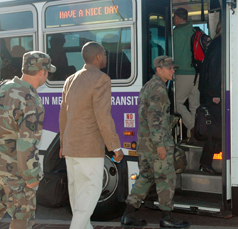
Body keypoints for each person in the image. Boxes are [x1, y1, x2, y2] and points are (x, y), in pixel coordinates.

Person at [0, 51, 56, 229]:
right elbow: (26, 144)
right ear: (42, 72)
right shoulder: (31, 99)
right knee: (22, 218)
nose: (46, 77)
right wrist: (31, 176)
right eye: (47, 72)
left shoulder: (2, 87)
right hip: (14, 170)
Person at [59, 41, 124, 229]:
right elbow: (103, 116)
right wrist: (115, 146)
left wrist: (63, 144)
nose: (105, 57)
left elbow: (63, 115)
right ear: (98, 57)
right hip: (89, 148)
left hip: (71, 147)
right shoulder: (101, 79)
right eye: (104, 54)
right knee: (91, 192)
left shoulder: (70, 79)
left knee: (78, 196)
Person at [121, 55, 190, 229]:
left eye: (173, 68)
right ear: (159, 70)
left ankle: (128, 215)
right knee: (166, 177)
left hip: (145, 142)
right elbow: (155, 118)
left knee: (145, 176)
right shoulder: (159, 89)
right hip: (155, 142)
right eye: (169, 68)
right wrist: (160, 144)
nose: (173, 71)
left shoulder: (148, 85)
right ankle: (167, 217)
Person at [198, 21, 222, 175]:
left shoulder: (216, 43)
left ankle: (206, 163)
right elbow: (214, 70)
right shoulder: (220, 44)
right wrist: (215, 94)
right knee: (215, 130)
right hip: (214, 95)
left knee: (216, 129)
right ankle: (205, 163)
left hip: (211, 93)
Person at [173, 7, 200, 143]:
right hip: (197, 73)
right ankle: (195, 135)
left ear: (177, 18)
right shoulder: (194, 31)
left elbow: (174, 56)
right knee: (194, 104)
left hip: (182, 73)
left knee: (177, 103)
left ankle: (193, 127)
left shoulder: (176, 33)